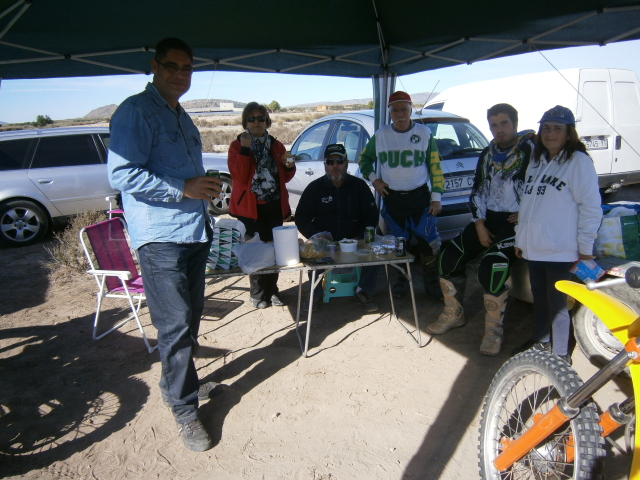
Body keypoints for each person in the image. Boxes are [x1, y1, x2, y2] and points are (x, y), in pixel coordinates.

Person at [108, 38, 222, 452]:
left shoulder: (179, 113)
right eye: (172, 66)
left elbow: (180, 171)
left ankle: (179, 385)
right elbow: (122, 174)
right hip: (159, 238)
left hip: (193, 231)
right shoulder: (136, 111)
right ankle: (184, 409)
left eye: (187, 68)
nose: (180, 74)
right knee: (174, 326)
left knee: (189, 321)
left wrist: (201, 185)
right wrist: (183, 187)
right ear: (154, 66)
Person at [425, 104, 535, 356]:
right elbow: (477, 191)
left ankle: (493, 330)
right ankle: (455, 314)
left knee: (491, 267)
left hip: (516, 224)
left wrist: (528, 213)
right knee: (448, 255)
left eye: (504, 123)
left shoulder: (531, 151)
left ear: (515, 124)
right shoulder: (488, 153)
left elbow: (543, 188)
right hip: (488, 220)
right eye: (494, 125)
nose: (499, 130)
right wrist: (480, 225)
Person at [513, 105, 602, 364]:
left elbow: (591, 207)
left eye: (557, 129)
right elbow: (528, 205)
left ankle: (561, 355)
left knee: (559, 305)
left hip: (562, 249)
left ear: (569, 133)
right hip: (535, 248)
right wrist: (521, 240)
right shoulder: (537, 160)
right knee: (539, 299)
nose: (550, 133)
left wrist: (586, 248)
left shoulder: (578, 162)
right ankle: (542, 343)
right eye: (546, 128)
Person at [359, 91, 445, 300]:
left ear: (410, 110)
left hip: (420, 198)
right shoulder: (381, 135)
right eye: (395, 110)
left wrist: (437, 197)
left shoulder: (424, 133)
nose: (400, 114)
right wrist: (375, 180)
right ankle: (400, 283)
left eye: (404, 109)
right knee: (397, 243)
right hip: (393, 197)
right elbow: (364, 160)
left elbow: (435, 166)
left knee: (428, 242)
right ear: (389, 112)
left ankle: (433, 286)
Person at [295, 143, 380, 312]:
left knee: (375, 251)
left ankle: (364, 291)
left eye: (339, 161)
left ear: (346, 163)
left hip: (354, 240)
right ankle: (315, 293)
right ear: (325, 164)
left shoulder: (359, 186)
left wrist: (360, 237)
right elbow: (301, 217)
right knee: (310, 253)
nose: (335, 165)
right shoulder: (315, 188)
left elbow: (371, 215)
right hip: (325, 243)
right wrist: (316, 236)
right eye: (330, 161)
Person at [228, 102, 296, 309]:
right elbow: (238, 176)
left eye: (260, 118)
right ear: (245, 122)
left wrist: (289, 165)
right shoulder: (237, 146)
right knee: (256, 251)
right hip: (250, 208)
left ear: (267, 121)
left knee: (274, 250)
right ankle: (257, 294)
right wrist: (246, 149)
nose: (256, 122)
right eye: (252, 118)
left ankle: (273, 290)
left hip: (273, 205)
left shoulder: (276, 145)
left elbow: (285, 178)